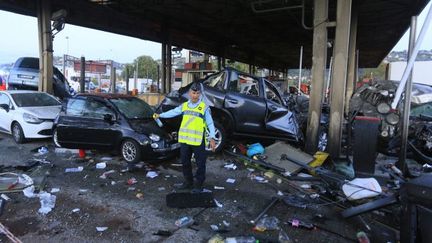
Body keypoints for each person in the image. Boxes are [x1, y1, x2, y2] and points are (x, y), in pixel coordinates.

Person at [154, 82, 216, 191]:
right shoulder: (185, 106)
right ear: (189, 93)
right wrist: (160, 115)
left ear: (200, 94)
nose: (195, 95)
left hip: (198, 141)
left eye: (197, 93)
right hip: (185, 141)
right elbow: (173, 112)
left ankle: (199, 185)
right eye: (193, 93)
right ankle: (188, 182)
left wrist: (212, 137)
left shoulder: (204, 108)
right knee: (185, 162)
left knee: (200, 164)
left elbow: (210, 123)